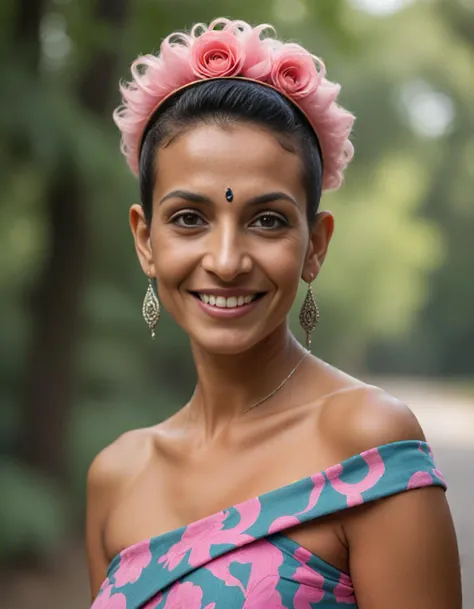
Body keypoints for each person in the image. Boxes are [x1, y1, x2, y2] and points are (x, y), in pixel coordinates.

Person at [86, 18, 462, 609]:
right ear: (144, 241)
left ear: (314, 246)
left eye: (267, 221)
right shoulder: (116, 477)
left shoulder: (366, 442)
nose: (228, 260)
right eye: (189, 218)